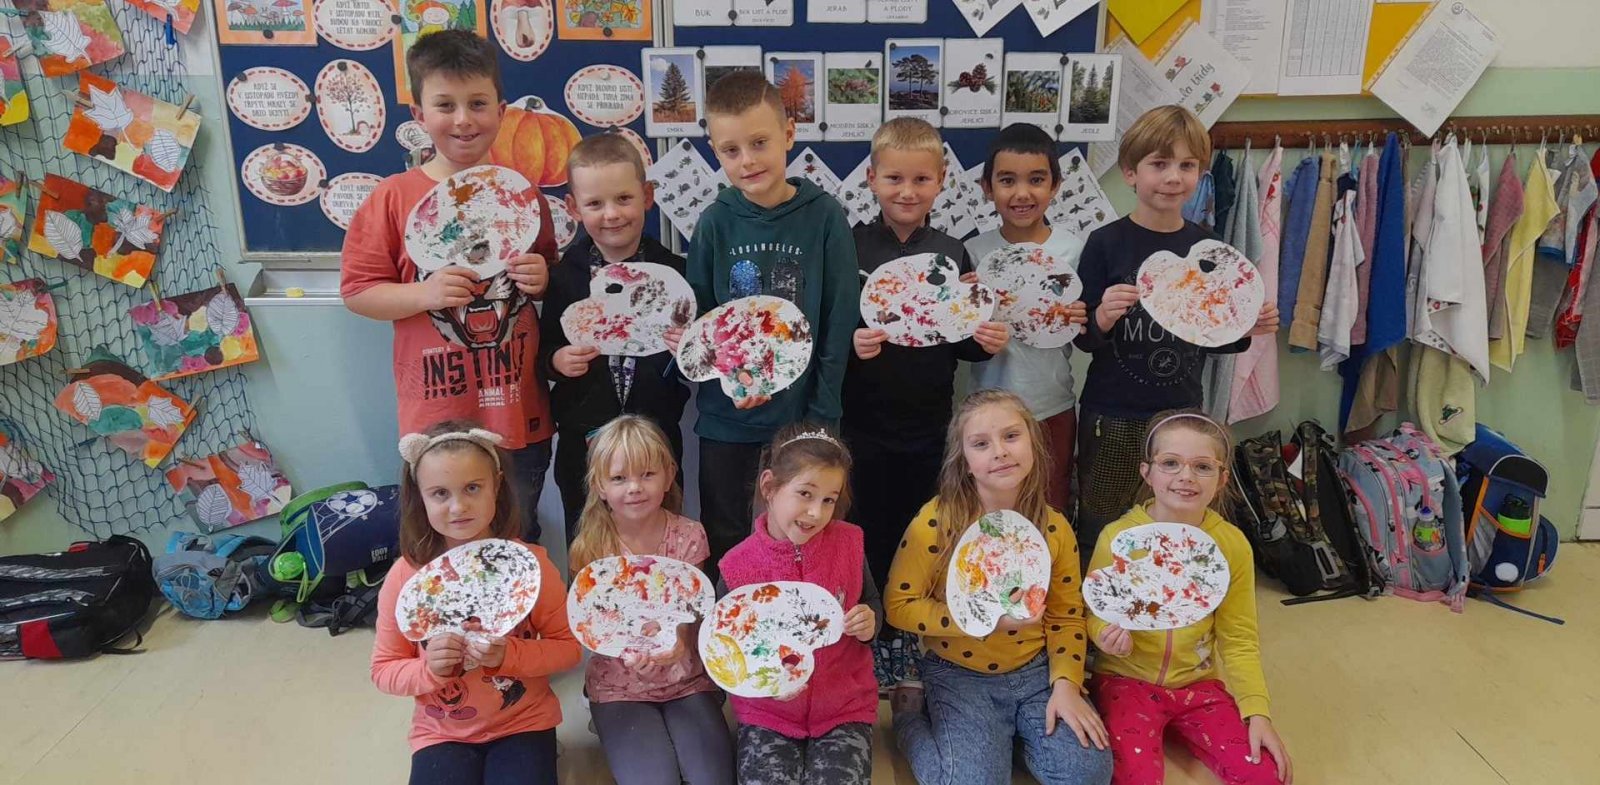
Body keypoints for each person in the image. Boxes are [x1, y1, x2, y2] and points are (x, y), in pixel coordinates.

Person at [341, 30, 556, 543]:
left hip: (516, 413)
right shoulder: (393, 198)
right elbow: (358, 292)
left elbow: (551, 275)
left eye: (477, 103)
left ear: (500, 111)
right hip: (436, 422)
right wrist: (425, 294)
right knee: (443, 545)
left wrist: (544, 279)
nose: (463, 119)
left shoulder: (522, 196)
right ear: (419, 115)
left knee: (517, 535)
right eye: (445, 105)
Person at [666, 70, 860, 570]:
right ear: (715, 151)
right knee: (728, 534)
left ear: (788, 134)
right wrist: (701, 357)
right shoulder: (714, 222)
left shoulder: (824, 218)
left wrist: (822, 415)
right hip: (727, 417)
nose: (747, 161)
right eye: (731, 150)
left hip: (803, 417)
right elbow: (703, 318)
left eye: (759, 143)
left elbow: (838, 320)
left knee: (807, 536)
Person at [843, 117, 1009, 689]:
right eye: (894, 178)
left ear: (941, 182)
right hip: (862, 422)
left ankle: (911, 634)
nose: (907, 191)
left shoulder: (950, 251)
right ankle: (876, 634)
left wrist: (982, 339)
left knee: (925, 530)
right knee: (867, 528)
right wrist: (852, 343)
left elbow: (959, 338)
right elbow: (832, 327)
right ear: (872, 179)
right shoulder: (850, 245)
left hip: (931, 422)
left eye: (921, 179)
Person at [1074, 106, 1280, 554]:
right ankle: (1099, 590)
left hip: (1181, 412)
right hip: (1112, 411)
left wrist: (1248, 325)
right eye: (1159, 164)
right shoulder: (1105, 243)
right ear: (1130, 172)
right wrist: (1103, 315)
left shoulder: (1209, 248)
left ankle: (1170, 592)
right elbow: (1082, 338)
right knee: (1102, 516)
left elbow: (1216, 338)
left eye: (1187, 166)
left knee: (1176, 518)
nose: (1173, 177)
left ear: (1201, 173)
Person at [886, 389, 1114, 785]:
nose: (1000, 452)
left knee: (1088, 773)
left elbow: (1066, 617)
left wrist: (1066, 685)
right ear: (964, 461)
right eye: (981, 444)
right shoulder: (935, 523)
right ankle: (909, 722)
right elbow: (899, 606)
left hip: (1036, 671)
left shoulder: (1055, 527)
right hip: (958, 672)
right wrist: (983, 621)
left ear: (1033, 443)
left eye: (1011, 436)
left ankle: (1006, 739)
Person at [1086, 410, 1293, 785]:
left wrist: (1257, 712)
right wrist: (1104, 635)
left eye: (1202, 466)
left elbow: (1239, 637)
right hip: (1125, 680)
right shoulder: (1118, 538)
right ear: (1146, 472)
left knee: (1266, 776)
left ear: (1222, 478)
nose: (1186, 476)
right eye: (1170, 463)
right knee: (1136, 778)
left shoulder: (1231, 545)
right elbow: (1096, 608)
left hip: (1198, 686)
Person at [371, 420, 580, 785]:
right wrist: (429, 670)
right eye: (440, 493)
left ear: (496, 485)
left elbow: (569, 648)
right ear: (419, 496)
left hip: (523, 722)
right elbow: (384, 670)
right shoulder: (405, 578)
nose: (458, 507)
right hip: (442, 732)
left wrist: (510, 655)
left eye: (472, 487)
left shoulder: (529, 566)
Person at [567, 415, 734, 785]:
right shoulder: (590, 547)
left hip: (685, 680)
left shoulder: (689, 536)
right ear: (599, 485)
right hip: (618, 686)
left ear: (669, 475)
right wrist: (627, 650)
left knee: (713, 778)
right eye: (619, 478)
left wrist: (680, 643)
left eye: (647, 474)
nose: (634, 488)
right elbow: (592, 624)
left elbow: (694, 610)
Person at [540, 134, 690, 541]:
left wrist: (688, 349)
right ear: (573, 208)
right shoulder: (564, 277)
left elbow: (696, 360)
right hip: (584, 442)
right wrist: (556, 361)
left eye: (624, 199)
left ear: (647, 196)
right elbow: (542, 349)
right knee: (587, 543)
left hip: (657, 439)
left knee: (661, 541)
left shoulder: (676, 274)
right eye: (594, 204)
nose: (611, 214)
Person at [715, 424, 881, 785]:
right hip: (767, 714)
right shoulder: (737, 566)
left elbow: (870, 603)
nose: (816, 513)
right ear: (769, 487)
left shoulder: (849, 544)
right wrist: (763, 683)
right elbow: (723, 650)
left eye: (829, 500)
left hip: (843, 709)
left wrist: (869, 622)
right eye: (805, 494)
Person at [966, 124, 1091, 514]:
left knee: (1050, 505)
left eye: (1036, 180)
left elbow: (1088, 334)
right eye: (1007, 180)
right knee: (988, 509)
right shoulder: (973, 252)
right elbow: (960, 341)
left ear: (1055, 185)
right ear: (987, 187)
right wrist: (963, 309)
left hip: (1051, 404)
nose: (1022, 193)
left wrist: (1082, 316)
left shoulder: (1074, 250)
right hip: (988, 408)